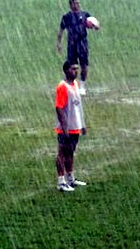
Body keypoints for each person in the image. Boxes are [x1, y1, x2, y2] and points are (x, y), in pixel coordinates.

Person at [54, 60, 87, 192]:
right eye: (73, 69)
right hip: (66, 128)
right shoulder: (62, 87)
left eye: (77, 69)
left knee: (71, 152)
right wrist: (64, 127)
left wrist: (82, 124)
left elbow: (78, 106)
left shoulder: (75, 84)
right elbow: (59, 108)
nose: (76, 72)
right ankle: (61, 181)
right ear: (66, 70)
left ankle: (70, 178)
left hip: (75, 126)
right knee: (62, 153)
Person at [56, 0, 99, 95]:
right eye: (75, 3)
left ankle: (82, 86)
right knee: (72, 66)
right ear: (71, 5)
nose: (77, 5)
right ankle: (73, 85)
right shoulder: (66, 17)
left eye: (78, 3)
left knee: (84, 65)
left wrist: (95, 26)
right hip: (71, 44)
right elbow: (61, 31)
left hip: (82, 43)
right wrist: (59, 43)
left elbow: (95, 25)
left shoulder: (85, 15)